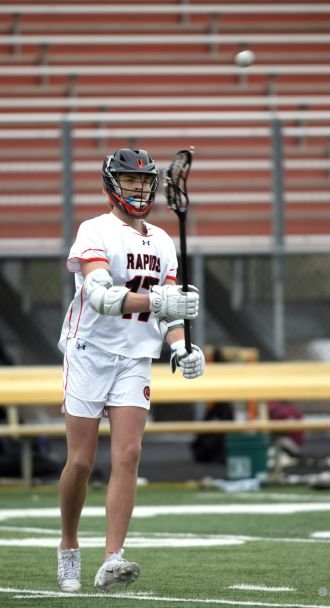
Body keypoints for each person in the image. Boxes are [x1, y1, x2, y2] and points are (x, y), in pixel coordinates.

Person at [56, 148, 205, 593]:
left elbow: (170, 313)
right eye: (129, 180)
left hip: (135, 356)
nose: (137, 188)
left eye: (143, 181)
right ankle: (68, 546)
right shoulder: (95, 230)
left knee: (128, 454)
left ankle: (112, 557)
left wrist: (181, 347)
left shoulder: (163, 241)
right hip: (90, 351)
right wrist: (159, 300)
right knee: (81, 461)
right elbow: (102, 297)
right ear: (110, 185)